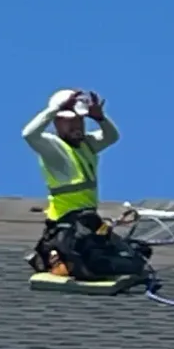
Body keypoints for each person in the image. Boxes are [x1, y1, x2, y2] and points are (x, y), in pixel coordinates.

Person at [22, 89, 151, 280]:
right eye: (69, 121)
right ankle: (56, 259)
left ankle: (62, 258)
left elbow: (112, 137)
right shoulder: (53, 147)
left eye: (79, 121)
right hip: (67, 224)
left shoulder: (86, 144)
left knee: (138, 255)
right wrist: (54, 109)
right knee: (94, 264)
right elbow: (28, 134)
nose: (76, 126)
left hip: (88, 221)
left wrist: (100, 118)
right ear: (57, 122)